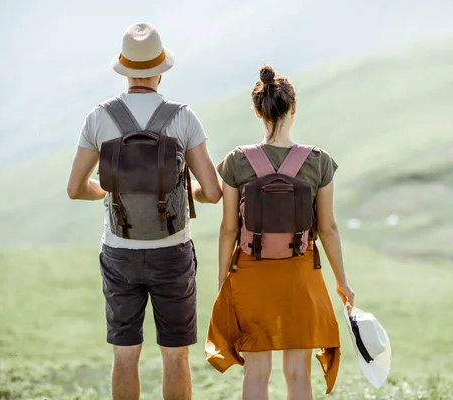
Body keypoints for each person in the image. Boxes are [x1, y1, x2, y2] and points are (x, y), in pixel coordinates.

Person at [67, 23, 221, 400]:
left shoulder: (98, 118)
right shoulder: (183, 117)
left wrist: (109, 189)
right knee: (175, 357)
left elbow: (74, 188)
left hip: (119, 252)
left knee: (124, 356)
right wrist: (187, 191)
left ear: (124, 69)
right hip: (172, 252)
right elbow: (213, 192)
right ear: (160, 69)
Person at [206, 65, 355, 400]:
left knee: (256, 373)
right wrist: (341, 281)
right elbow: (328, 227)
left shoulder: (236, 161)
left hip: (250, 274)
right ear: (293, 108)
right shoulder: (318, 161)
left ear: (258, 112)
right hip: (300, 274)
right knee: (298, 373)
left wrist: (222, 278)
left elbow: (229, 226)